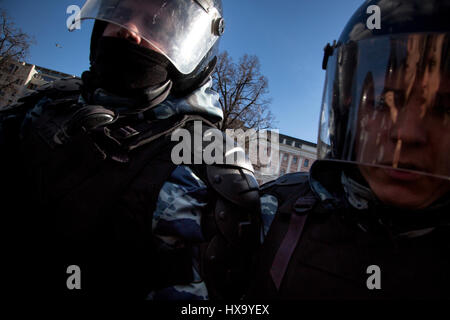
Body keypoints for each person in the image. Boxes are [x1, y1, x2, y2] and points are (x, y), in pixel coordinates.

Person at [0, 0, 260, 300]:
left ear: (192, 52)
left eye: (156, 24)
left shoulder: (203, 169)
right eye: (121, 14)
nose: (129, 30)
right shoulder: (46, 103)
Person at [248, 0, 450, 299]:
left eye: (444, 108)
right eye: (383, 102)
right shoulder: (266, 216)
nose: (406, 134)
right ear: (348, 113)